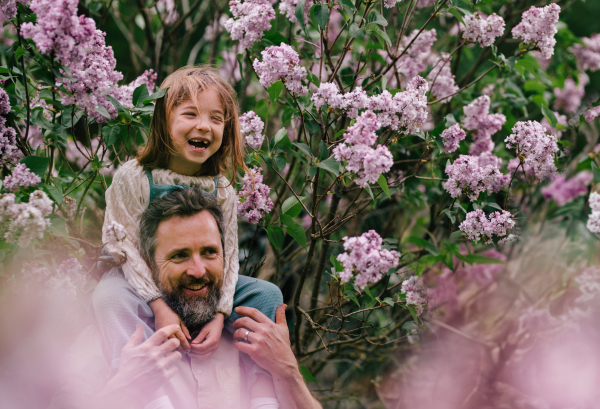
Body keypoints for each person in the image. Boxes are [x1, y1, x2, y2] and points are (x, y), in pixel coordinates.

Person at [55, 188, 320, 409]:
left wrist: (287, 371)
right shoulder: (111, 338)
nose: (198, 270)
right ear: (147, 265)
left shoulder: (256, 338)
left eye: (209, 253)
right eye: (179, 255)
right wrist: (125, 387)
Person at [94, 66, 282, 372]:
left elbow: (229, 257)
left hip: (200, 283)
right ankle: (137, 381)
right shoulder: (135, 178)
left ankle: (260, 392)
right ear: (164, 121)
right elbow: (124, 248)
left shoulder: (222, 189)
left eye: (216, 119)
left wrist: (221, 315)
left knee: (266, 294)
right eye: (191, 114)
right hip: (138, 279)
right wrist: (158, 306)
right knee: (109, 297)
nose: (204, 126)